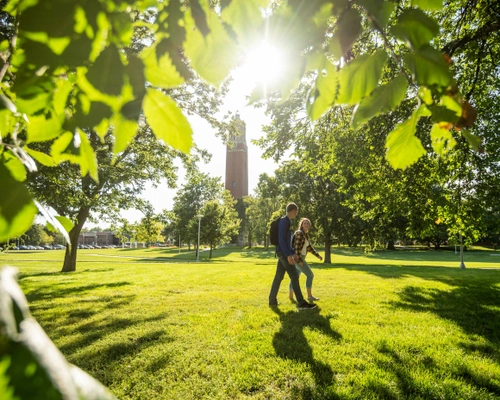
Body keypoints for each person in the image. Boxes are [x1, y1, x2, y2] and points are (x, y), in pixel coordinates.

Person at [269, 203, 317, 310]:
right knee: (294, 276)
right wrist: (288, 255)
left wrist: (293, 253)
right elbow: (281, 240)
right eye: (297, 211)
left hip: (283, 252)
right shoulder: (284, 221)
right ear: (294, 210)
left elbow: (287, 242)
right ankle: (301, 303)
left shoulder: (287, 222)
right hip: (283, 253)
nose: (297, 214)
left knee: (278, 277)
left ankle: (272, 301)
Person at [289, 218, 323, 303]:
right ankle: (309, 296)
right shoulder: (300, 233)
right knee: (310, 275)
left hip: (301, 258)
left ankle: (291, 296)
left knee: (295, 277)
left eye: (308, 223)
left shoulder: (305, 235)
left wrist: (317, 255)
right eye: (305, 223)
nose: (306, 225)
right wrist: (299, 260)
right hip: (298, 258)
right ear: (301, 224)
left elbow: (309, 248)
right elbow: (297, 248)